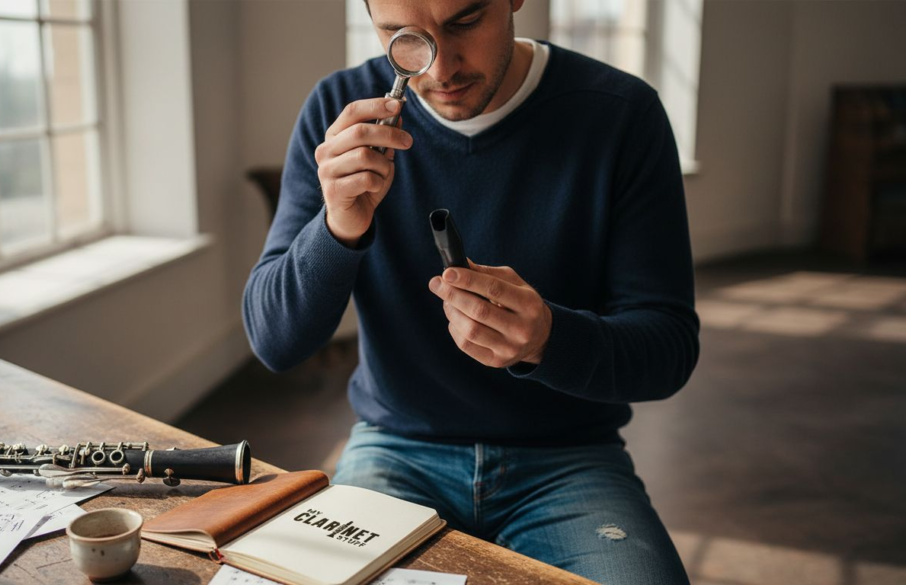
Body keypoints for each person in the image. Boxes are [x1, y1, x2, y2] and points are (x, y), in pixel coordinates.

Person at [242, 0, 699, 582]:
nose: (439, 69)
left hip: (569, 457)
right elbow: (274, 342)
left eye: (463, 22)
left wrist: (548, 340)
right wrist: (336, 227)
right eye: (401, 36)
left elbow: (669, 351)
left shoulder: (621, 114)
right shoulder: (341, 111)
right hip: (396, 446)